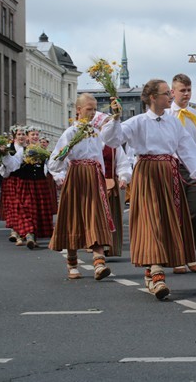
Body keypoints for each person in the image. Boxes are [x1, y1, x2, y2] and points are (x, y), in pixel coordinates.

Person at [102, 79, 196, 301]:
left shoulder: (173, 123)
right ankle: (157, 273)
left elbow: (187, 148)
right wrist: (114, 119)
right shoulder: (138, 122)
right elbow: (113, 139)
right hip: (147, 174)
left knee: (167, 221)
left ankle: (152, 271)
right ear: (153, 97)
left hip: (169, 174)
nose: (170, 97)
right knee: (152, 221)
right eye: (165, 94)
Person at [48, 94, 127, 280]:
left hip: (94, 177)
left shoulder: (97, 132)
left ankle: (99, 261)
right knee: (73, 217)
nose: (92, 113)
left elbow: (111, 143)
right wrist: (66, 151)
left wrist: (115, 118)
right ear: (78, 110)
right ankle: (72, 261)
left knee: (96, 216)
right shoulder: (70, 133)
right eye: (89, 109)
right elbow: (53, 164)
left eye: (94, 109)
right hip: (76, 177)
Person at [166, 73, 196, 274]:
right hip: (170, 168)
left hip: (192, 169)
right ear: (172, 92)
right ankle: (177, 256)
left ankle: (191, 250)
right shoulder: (166, 115)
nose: (186, 94)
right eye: (182, 90)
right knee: (174, 214)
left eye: (189, 90)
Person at [0, 126, 26, 244]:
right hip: (10, 179)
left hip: (23, 179)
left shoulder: (27, 148)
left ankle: (20, 231)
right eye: (19, 134)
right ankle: (14, 230)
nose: (21, 136)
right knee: (12, 205)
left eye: (23, 134)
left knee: (22, 205)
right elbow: (2, 166)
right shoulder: (8, 148)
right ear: (15, 136)